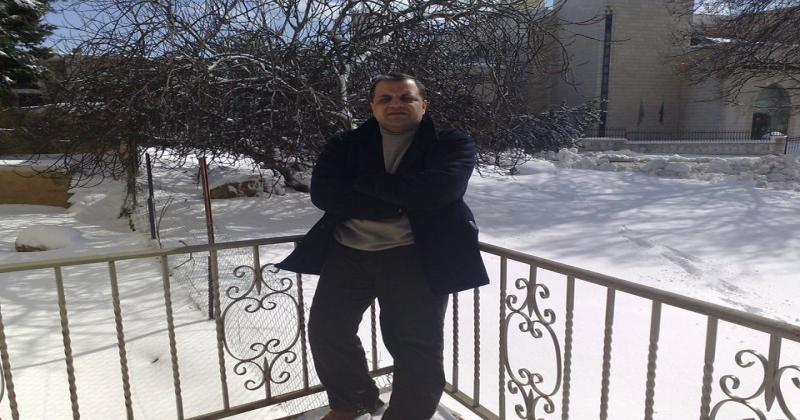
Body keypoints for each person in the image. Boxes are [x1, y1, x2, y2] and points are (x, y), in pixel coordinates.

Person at [276, 72, 490, 420]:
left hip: (416, 257)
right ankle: (352, 403)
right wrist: (400, 200)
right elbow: (325, 194)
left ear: (424, 104)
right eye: (385, 98)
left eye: (406, 98)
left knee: (415, 346)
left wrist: (363, 183)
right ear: (373, 107)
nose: (395, 104)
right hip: (348, 253)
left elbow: (441, 190)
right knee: (328, 331)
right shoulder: (345, 144)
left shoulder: (450, 143)